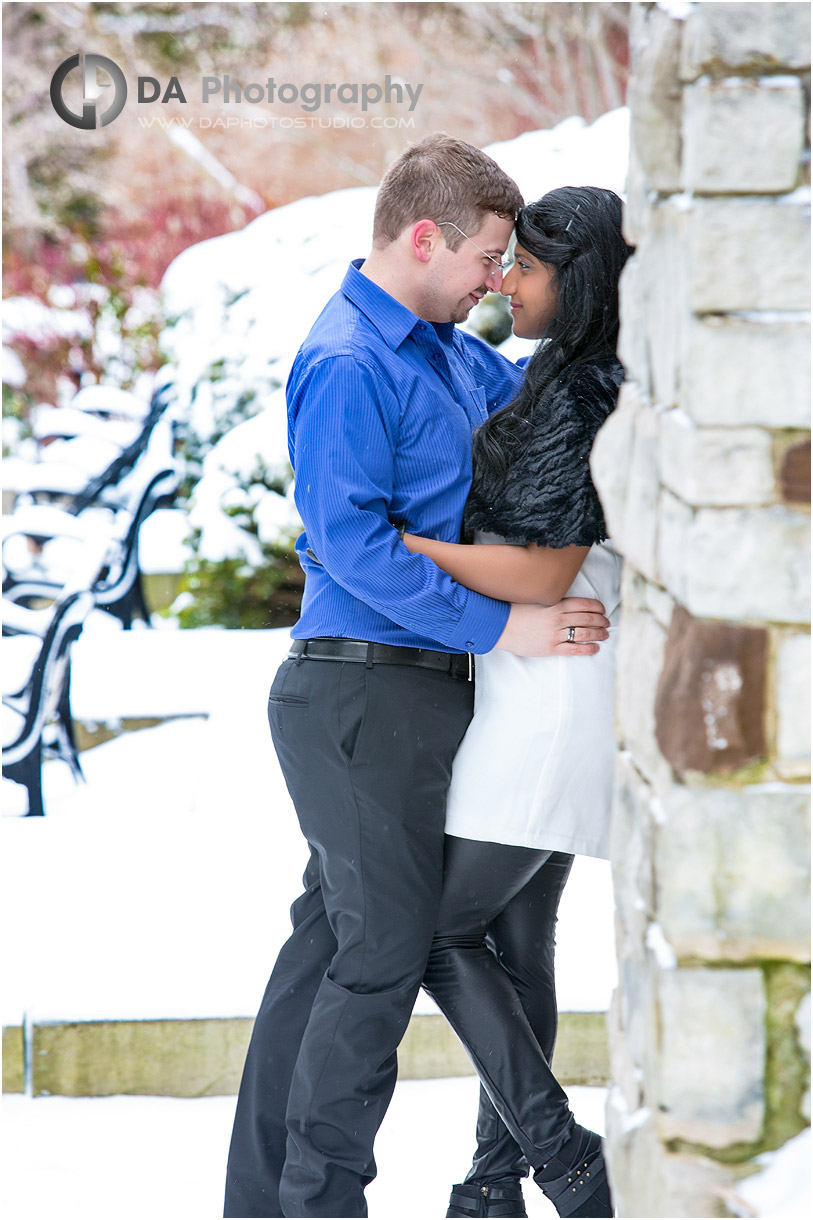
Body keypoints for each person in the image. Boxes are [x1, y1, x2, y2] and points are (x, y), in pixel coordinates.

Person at [223, 139, 611, 1219]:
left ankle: (263, 1202)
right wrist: (507, 623)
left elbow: (543, 408)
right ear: (422, 235)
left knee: (330, 955)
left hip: (419, 693)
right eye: (487, 254)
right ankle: (318, 1203)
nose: (496, 277)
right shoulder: (349, 360)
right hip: (361, 695)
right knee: (382, 959)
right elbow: (352, 545)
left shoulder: (443, 350)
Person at [400, 185, 631, 1218]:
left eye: (523, 269)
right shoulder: (559, 374)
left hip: (553, 697)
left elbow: (542, 574)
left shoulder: (581, 390)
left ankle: (566, 1157)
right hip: (541, 686)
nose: (502, 280)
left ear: (572, 285)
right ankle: (494, 1183)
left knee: (438, 932)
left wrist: (404, 549)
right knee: (516, 941)